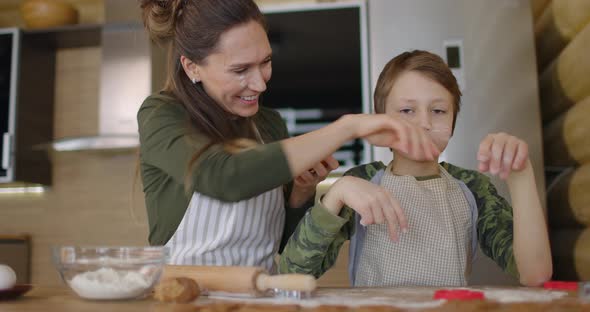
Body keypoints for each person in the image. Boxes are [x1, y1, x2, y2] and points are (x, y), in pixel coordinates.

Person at [137, 0, 439, 272]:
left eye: (265, 62)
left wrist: (300, 194)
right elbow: (224, 177)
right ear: (192, 67)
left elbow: (284, 246)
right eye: (240, 69)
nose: (259, 84)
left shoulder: (268, 124)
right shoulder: (161, 115)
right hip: (184, 300)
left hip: (262, 301)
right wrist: (348, 127)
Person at [278, 50, 552, 287]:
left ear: (454, 120)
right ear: (380, 122)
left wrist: (520, 174)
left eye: (438, 111)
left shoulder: (473, 187)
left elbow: (534, 275)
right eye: (407, 111)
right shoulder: (362, 182)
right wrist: (336, 194)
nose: (424, 124)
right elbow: (293, 273)